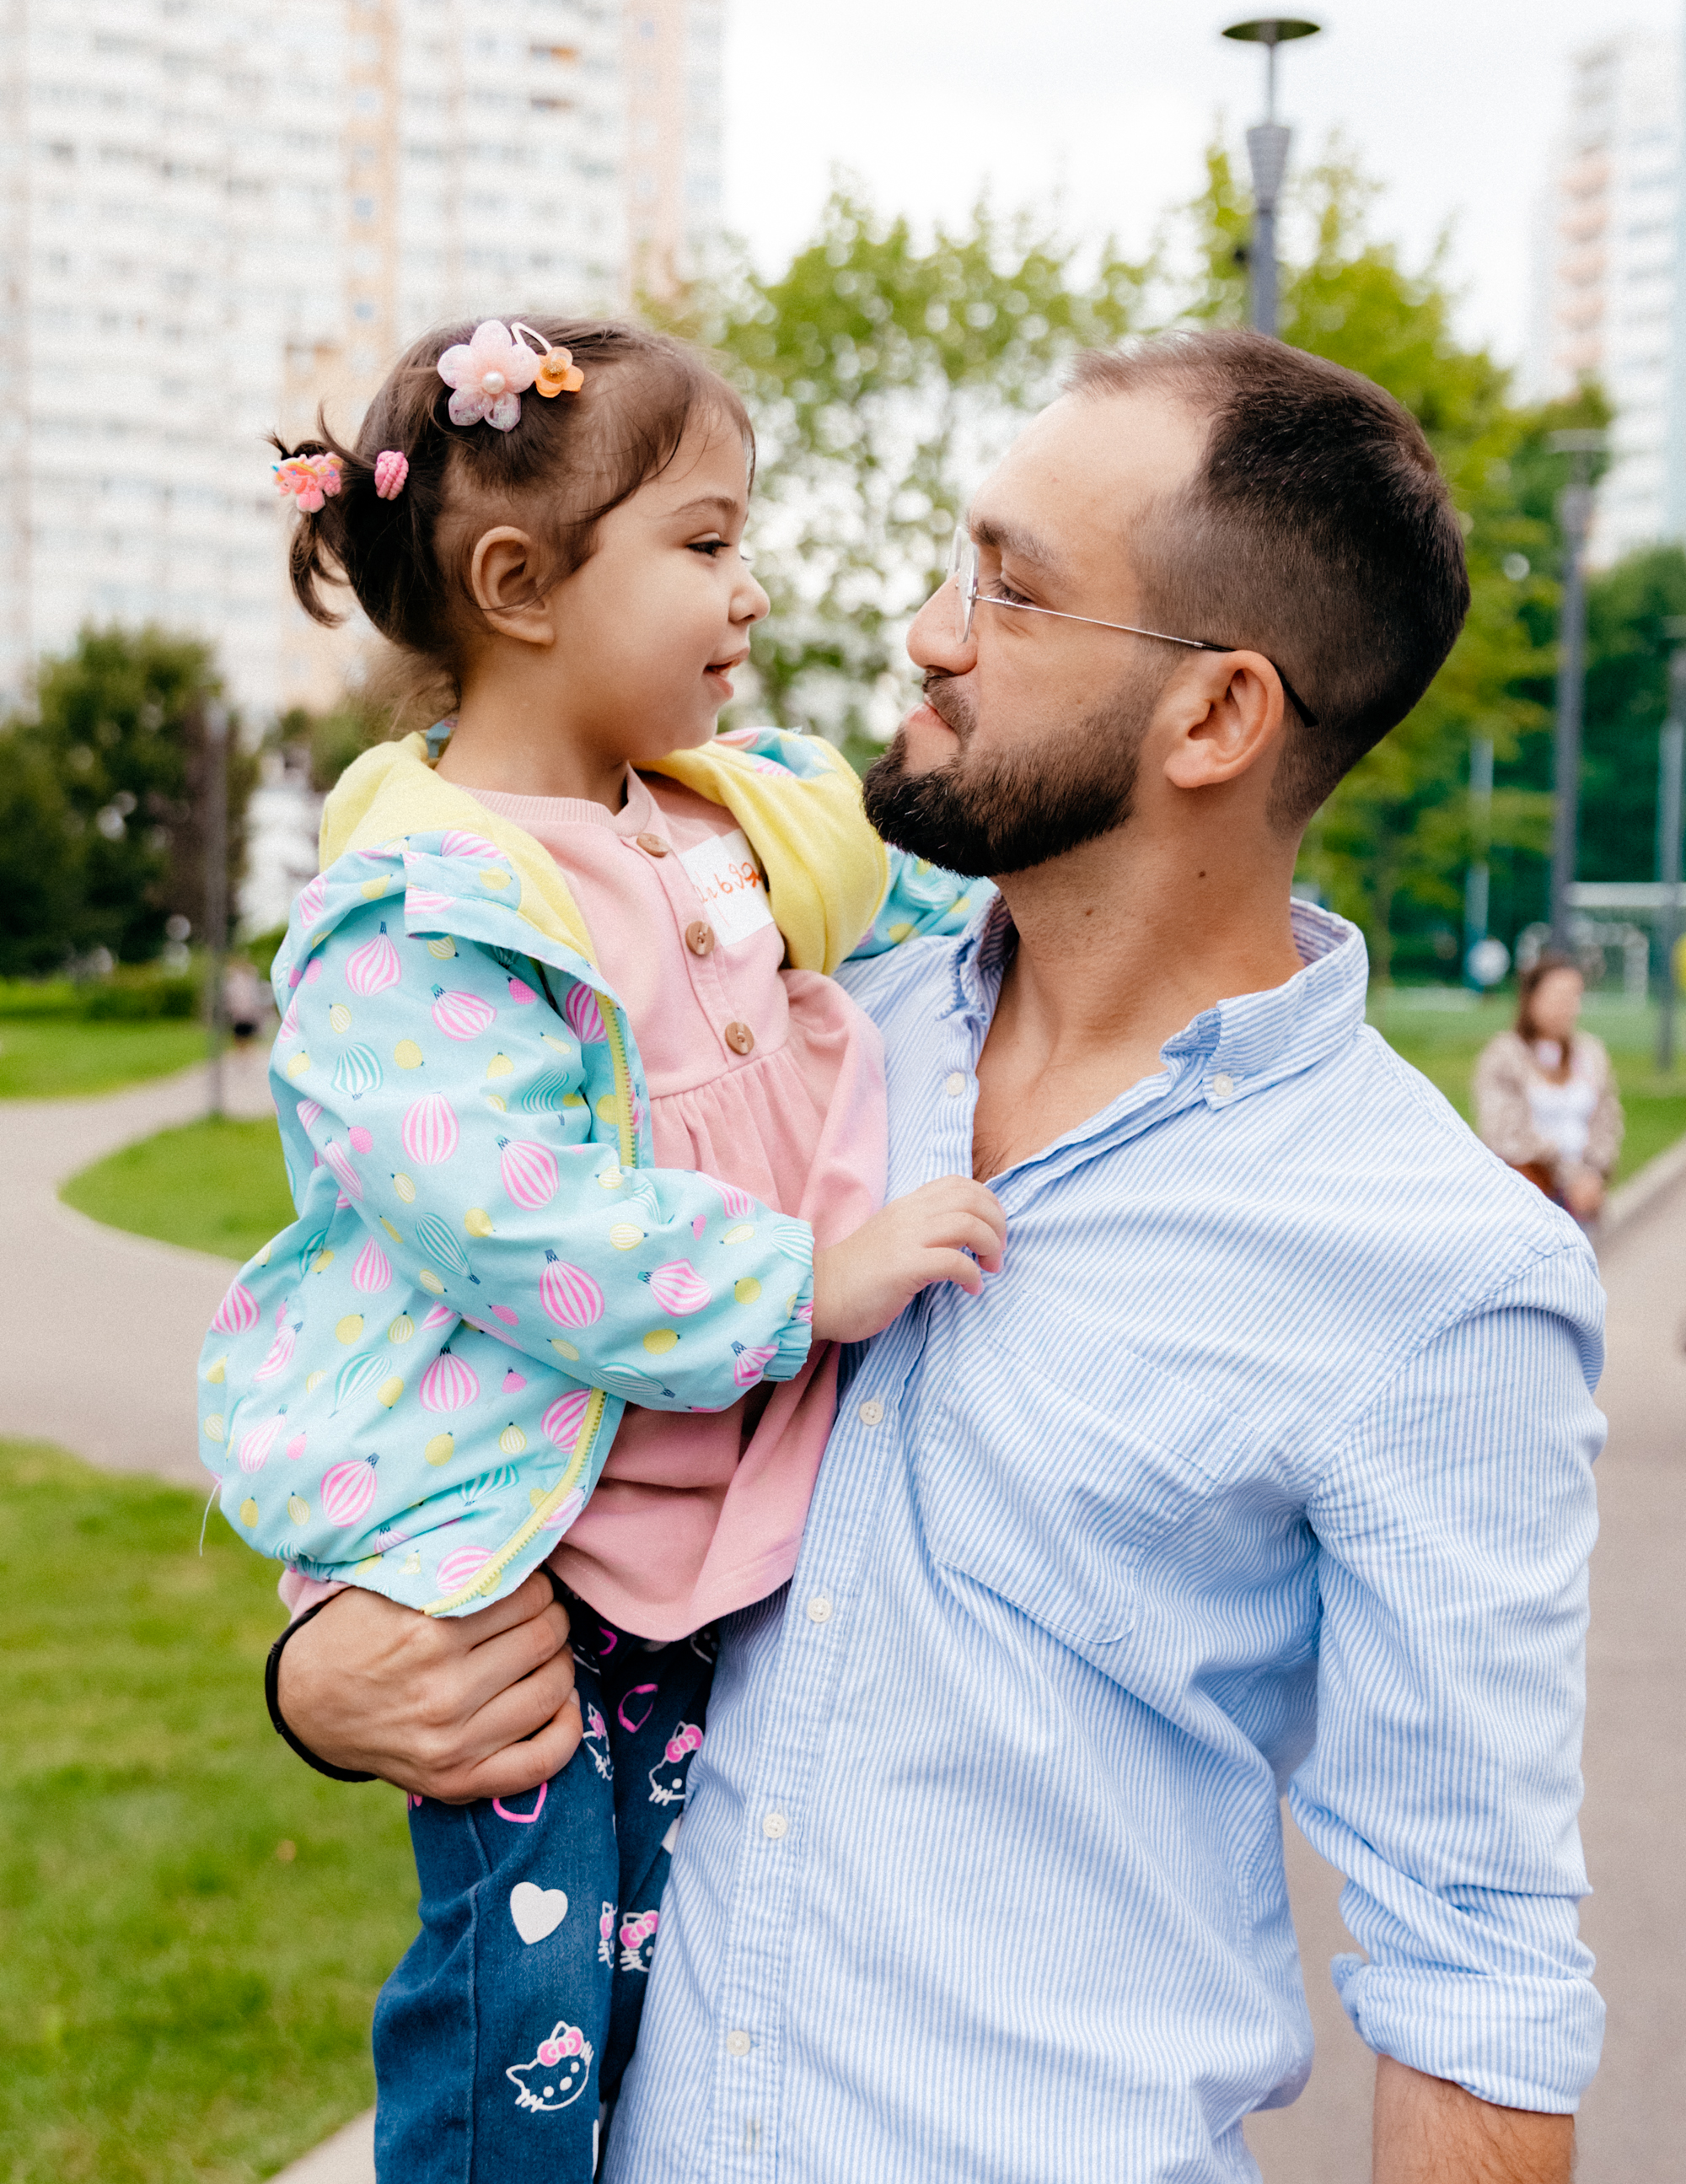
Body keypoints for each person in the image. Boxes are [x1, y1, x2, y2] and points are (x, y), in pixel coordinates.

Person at [273, 331, 1606, 2184]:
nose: (923, 629)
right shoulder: (777, 1038)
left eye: (1009, 584)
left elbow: (1475, 1981)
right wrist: (328, 1662)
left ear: (1215, 718)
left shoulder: (1437, 1273)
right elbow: (466, 1318)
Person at [199, 315, 1001, 2184]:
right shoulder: (417, 911)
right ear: (518, 585)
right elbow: (517, 1216)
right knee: (527, 2009)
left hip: (679, 1551)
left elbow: (946, 877)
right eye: (708, 545)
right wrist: (810, 1285)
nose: (754, 590)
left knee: (676, 1976)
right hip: (508, 1563)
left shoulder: (719, 825)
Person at [1474, 954, 1623, 1224]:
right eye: (1557, 996)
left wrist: (1594, 1174)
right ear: (1531, 999)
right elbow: (1505, 1133)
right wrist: (1569, 1176)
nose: (1567, 1006)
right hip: (1528, 1196)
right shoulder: (1504, 1056)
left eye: (1574, 996)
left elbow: (1607, 1120)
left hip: (1583, 1196)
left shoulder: (1591, 1054)